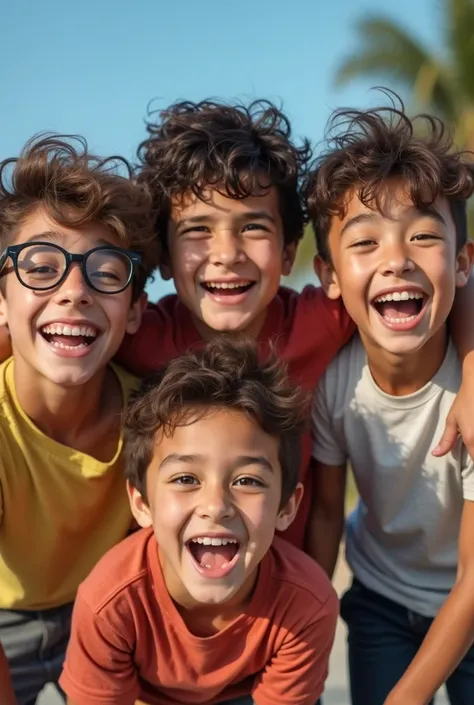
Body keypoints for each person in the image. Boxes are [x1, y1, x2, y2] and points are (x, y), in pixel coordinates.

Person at [113, 98, 474, 553]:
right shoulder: (139, 337)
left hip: (287, 592)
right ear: (164, 256)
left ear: (289, 253)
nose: (227, 253)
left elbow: (452, 280)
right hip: (181, 580)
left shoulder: (319, 318)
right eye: (198, 231)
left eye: (253, 228)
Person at [59, 338, 339, 705]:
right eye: (186, 479)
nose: (215, 506)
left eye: (247, 481)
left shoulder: (307, 604)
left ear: (287, 506)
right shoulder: (109, 602)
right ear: (142, 504)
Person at [306, 100, 474, 705]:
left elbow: (473, 582)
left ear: (461, 262)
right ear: (328, 274)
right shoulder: (333, 382)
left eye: (424, 236)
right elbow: (326, 513)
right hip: (379, 599)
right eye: (365, 243)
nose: (397, 260)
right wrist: (310, 620)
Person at [0, 134, 158, 704]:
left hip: (103, 613)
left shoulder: (155, 417)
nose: (74, 291)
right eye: (40, 267)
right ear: (1, 301)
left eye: (106, 271)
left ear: (136, 310)